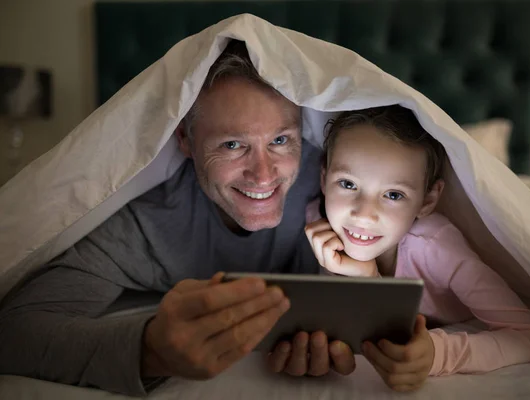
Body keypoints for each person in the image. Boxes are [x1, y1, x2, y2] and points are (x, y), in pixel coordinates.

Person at [0, 40, 356, 397]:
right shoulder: (143, 221)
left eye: (280, 140)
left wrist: (406, 349)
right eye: (232, 144)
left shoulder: (338, 187)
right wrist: (150, 350)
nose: (263, 176)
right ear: (185, 140)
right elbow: (14, 332)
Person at [304, 105, 530, 392]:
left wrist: (437, 353)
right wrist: (367, 277)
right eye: (347, 184)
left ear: (427, 201)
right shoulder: (318, 223)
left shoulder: (436, 247)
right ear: (324, 179)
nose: (363, 214)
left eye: (393, 194)